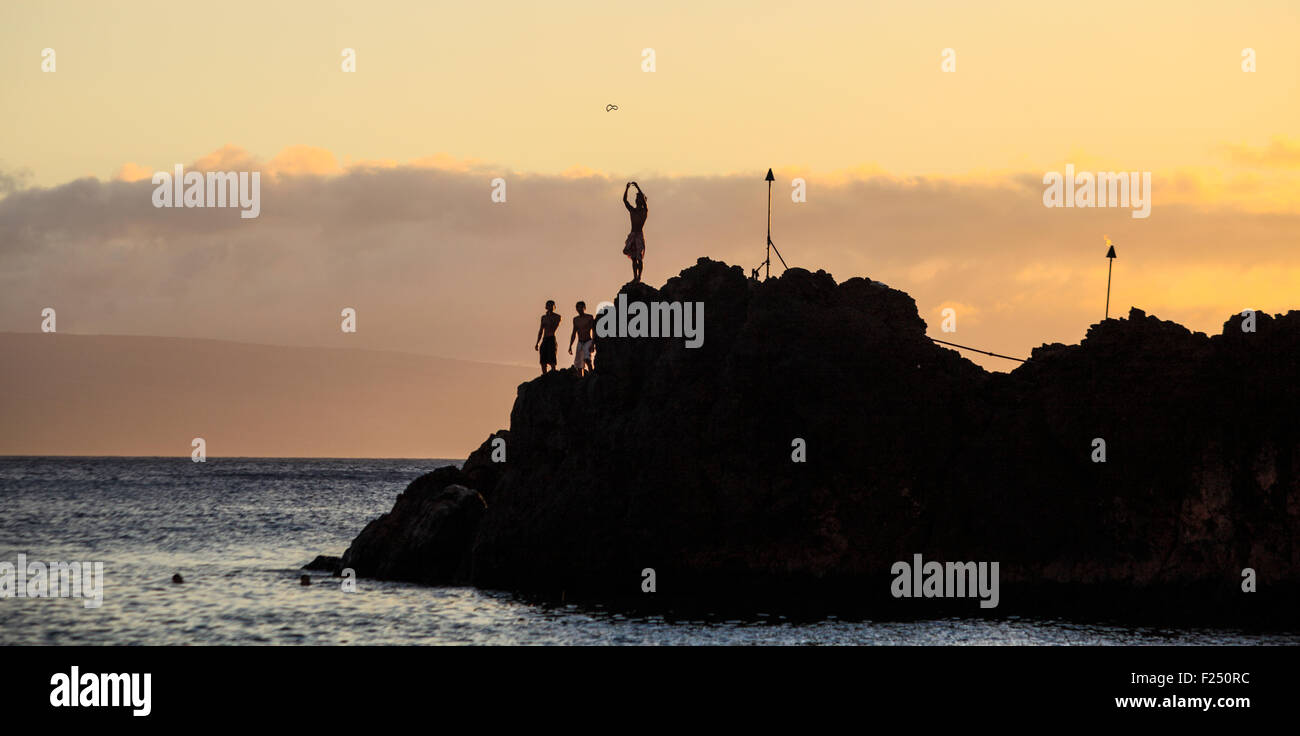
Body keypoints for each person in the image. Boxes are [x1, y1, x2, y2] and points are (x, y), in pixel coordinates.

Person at [622, 182, 648, 283]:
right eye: (637, 199)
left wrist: (637, 187)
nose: (637, 200)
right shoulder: (633, 210)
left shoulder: (644, 211)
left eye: (639, 199)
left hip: (639, 236)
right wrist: (627, 189)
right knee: (633, 258)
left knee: (639, 258)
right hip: (633, 235)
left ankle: (639, 277)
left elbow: (644, 202)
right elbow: (625, 201)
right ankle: (635, 277)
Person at [569, 301, 596, 376]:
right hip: (580, 342)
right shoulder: (575, 319)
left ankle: (592, 375)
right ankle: (580, 379)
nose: (579, 309)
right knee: (579, 364)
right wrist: (570, 345)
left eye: (581, 307)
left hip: (588, 340)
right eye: (578, 307)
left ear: (584, 308)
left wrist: (593, 344)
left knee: (587, 359)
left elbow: (593, 331)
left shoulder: (589, 317)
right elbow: (574, 333)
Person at [535, 300, 561, 374]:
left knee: (552, 359)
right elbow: (541, 330)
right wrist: (537, 342)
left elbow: (554, 327)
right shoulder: (543, 317)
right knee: (543, 360)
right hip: (545, 339)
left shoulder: (557, 317)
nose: (550, 307)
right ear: (546, 307)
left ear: (554, 307)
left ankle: (553, 374)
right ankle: (545, 376)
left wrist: (549, 316)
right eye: (548, 305)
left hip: (551, 338)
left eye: (551, 305)